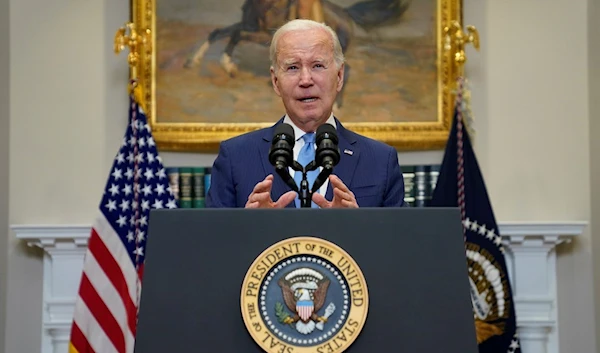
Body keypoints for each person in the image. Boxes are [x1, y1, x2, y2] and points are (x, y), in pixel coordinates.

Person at [206, 19, 405, 209]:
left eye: (317, 65)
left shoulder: (380, 160)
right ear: (276, 81)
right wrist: (250, 225)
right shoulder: (235, 157)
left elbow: (397, 240)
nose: (306, 80)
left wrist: (355, 225)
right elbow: (213, 240)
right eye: (293, 67)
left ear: (339, 76)